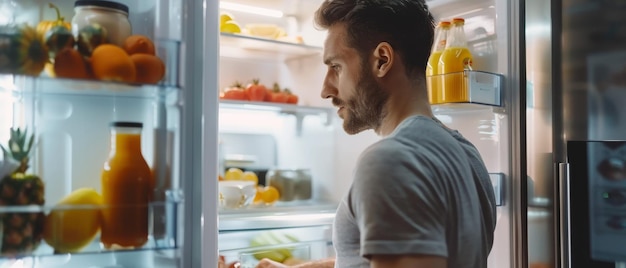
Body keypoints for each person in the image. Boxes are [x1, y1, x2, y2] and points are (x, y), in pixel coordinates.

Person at [256, 0, 496, 267]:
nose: (325, 89)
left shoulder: (391, 161)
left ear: (382, 60)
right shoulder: (465, 153)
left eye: (336, 67)